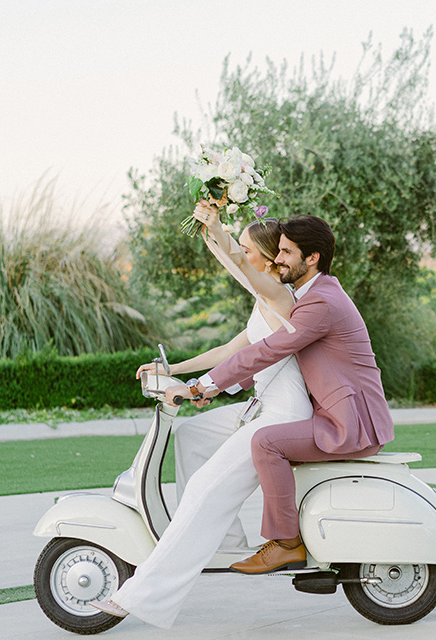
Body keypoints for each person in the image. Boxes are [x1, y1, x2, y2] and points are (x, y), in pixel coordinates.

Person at [91, 201, 312, 628]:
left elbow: (239, 268)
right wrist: (170, 370)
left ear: (266, 258)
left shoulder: (281, 296)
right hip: (260, 408)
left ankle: (142, 596)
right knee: (192, 436)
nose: (241, 256)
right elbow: (231, 350)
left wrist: (216, 229)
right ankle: (222, 542)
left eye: (248, 250)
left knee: (204, 490)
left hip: (282, 418)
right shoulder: (264, 302)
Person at [193, 215, 395, 575]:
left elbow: (269, 349)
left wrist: (205, 385)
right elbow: (259, 350)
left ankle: (287, 544)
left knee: (266, 442)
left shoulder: (320, 303)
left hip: (351, 424)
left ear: (312, 257)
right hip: (339, 414)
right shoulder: (315, 293)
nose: (278, 259)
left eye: (286, 251)